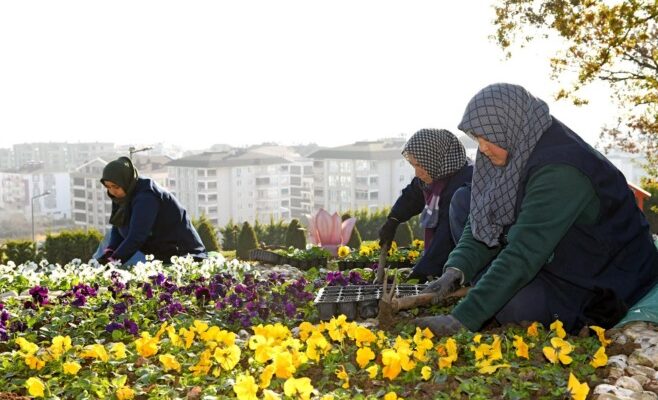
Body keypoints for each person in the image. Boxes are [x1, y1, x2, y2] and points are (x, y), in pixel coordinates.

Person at [415, 83, 658, 336]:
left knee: (514, 306)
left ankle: (496, 290)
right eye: (477, 138)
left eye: (488, 137)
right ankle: (494, 286)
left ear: (509, 127)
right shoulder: (516, 146)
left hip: (603, 277)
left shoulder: (562, 170)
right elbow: (482, 216)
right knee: (464, 200)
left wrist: (462, 320)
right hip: (558, 251)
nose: (482, 147)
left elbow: (525, 252)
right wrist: (456, 269)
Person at [378, 128, 473, 280]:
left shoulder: (462, 184)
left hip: (464, 265)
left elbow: (445, 237)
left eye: (419, 165)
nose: (417, 173)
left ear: (436, 159)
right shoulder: (434, 175)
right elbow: (411, 196)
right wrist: (393, 220)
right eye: (413, 166)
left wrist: (421, 272)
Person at [97, 156, 206, 264]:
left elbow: (137, 236)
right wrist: (110, 251)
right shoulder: (123, 193)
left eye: (115, 186)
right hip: (161, 255)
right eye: (108, 187)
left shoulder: (146, 196)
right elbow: (118, 224)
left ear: (125, 180)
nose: (112, 191)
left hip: (184, 255)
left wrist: (114, 261)